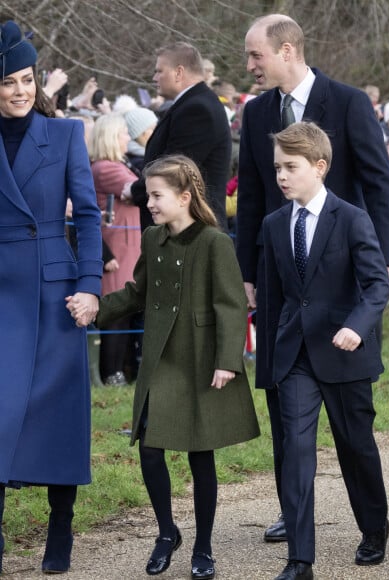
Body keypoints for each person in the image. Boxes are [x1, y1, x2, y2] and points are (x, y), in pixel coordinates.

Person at [238, 14, 389, 542]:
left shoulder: (349, 102)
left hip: (346, 286)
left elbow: (380, 187)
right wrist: (247, 275)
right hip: (283, 284)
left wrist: (380, 273)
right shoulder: (256, 111)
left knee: (353, 429)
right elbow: (256, 200)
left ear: (286, 50)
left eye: (256, 55)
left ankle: (372, 527)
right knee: (289, 418)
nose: (249, 66)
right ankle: (293, 513)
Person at [72, 155, 259, 579]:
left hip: (200, 358)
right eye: (148, 194)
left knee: (200, 453)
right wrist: (97, 306)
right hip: (161, 357)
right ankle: (166, 532)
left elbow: (231, 305)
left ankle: (205, 546)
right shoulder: (153, 238)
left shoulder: (215, 242)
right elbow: (138, 292)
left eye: (156, 195)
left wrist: (228, 361)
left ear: (184, 197)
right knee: (150, 449)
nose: (149, 202)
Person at [263, 122, 389, 580]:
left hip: (345, 353)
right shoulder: (274, 223)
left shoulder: (352, 217)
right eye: (277, 167)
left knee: (356, 447)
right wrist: (268, 365)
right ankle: (300, 559)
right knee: (296, 451)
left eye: (290, 167)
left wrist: (357, 327)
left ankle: (374, 528)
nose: (281, 175)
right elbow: (275, 300)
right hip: (295, 355)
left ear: (319, 167)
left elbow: (378, 285)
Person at [0, 20, 102, 574]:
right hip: (0, 292)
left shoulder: (65, 135)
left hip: (55, 292)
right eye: (7, 82)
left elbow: (87, 216)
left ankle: (59, 530)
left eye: (26, 78)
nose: (19, 90)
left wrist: (90, 287)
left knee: (60, 416)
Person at [124, 42, 231, 231]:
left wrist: (135, 190)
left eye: (159, 71)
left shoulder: (197, 109)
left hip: (190, 231)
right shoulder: (191, 104)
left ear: (178, 72)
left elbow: (175, 170)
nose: (154, 77)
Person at [88, 113, 140, 386]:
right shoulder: (106, 169)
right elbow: (136, 191)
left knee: (125, 312)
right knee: (116, 314)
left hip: (127, 250)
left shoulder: (116, 165)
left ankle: (123, 370)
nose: (128, 139)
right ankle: (112, 373)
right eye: (123, 134)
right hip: (116, 251)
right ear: (110, 137)